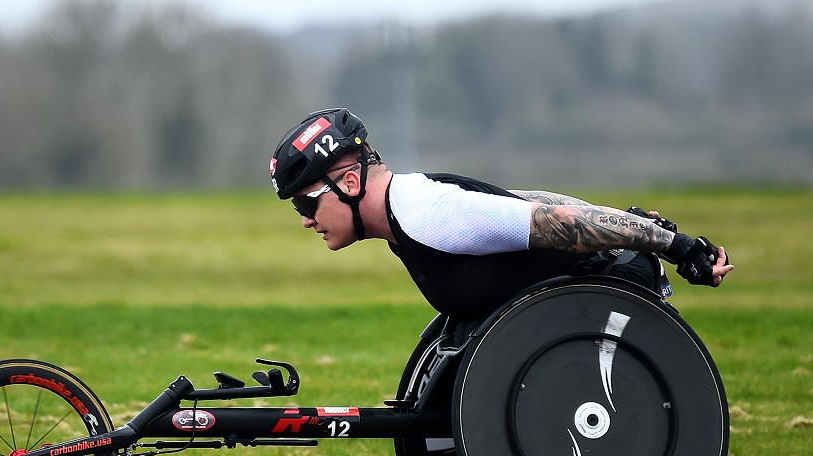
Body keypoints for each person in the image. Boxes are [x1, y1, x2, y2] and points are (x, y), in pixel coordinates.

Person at [269, 108, 734, 323]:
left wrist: (678, 246)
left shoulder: (427, 213)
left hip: (612, 294)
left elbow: (558, 222)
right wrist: (628, 223)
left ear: (349, 184)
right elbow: (527, 202)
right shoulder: (408, 207)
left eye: (305, 204)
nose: (306, 220)